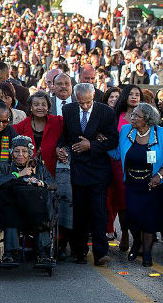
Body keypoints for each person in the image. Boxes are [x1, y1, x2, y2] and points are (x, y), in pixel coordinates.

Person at [57, 83, 118, 266]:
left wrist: (91, 145)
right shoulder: (68, 110)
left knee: (99, 212)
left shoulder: (106, 112)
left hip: (98, 169)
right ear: (75, 99)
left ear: (94, 98)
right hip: (78, 169)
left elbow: (113, 140)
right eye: (81, 103)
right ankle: (79, 252)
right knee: (80, 213)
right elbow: (65, 136)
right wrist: (60, 149)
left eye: (88, 102)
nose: (84, 106)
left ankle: (100, 253)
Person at [109, 103, 163, 267]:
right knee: (132, 217)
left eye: (136, 116)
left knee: (149, 219)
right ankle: (137, 244)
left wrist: (159, 175)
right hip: (132, 184)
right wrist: (102, 144)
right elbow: (117, 153)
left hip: (152, 185)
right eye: (132, 115)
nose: (132, 118)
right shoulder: (126, 131)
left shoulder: (160, 133)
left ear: (147, 119)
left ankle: (147, 254)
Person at [0, 135, 56, 266]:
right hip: (11, 210)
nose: (20, 154)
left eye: (24, 151)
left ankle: (43, 254)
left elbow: (53, 184)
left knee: (43, 209)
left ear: (29, 154)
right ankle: (10, 253)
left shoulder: (39, 167)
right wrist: (18, 174)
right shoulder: (3, 167)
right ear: (11, 153)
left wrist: (40, 182)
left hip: (35, 211)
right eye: (17, 151)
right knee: (9, 210)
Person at [107, 85, 142, 248]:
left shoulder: (146, 116)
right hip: (118, 164)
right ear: (125, 96)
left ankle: (140, 238)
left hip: (141, 164)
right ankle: (125, 234)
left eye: (137, 94)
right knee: (122, 202)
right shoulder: (116, 115)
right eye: (131, 94)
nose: (134, 97)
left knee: (139, 202)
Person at [13, 91, 64, 177]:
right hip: (27, 173)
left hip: (52, 172)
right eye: (36, 104)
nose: (40, 107)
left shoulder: (58, 122)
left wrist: (61, 148)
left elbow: (67, 136)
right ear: (30, 107)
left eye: (43, 104)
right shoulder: (20, 127)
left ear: (48, 107)